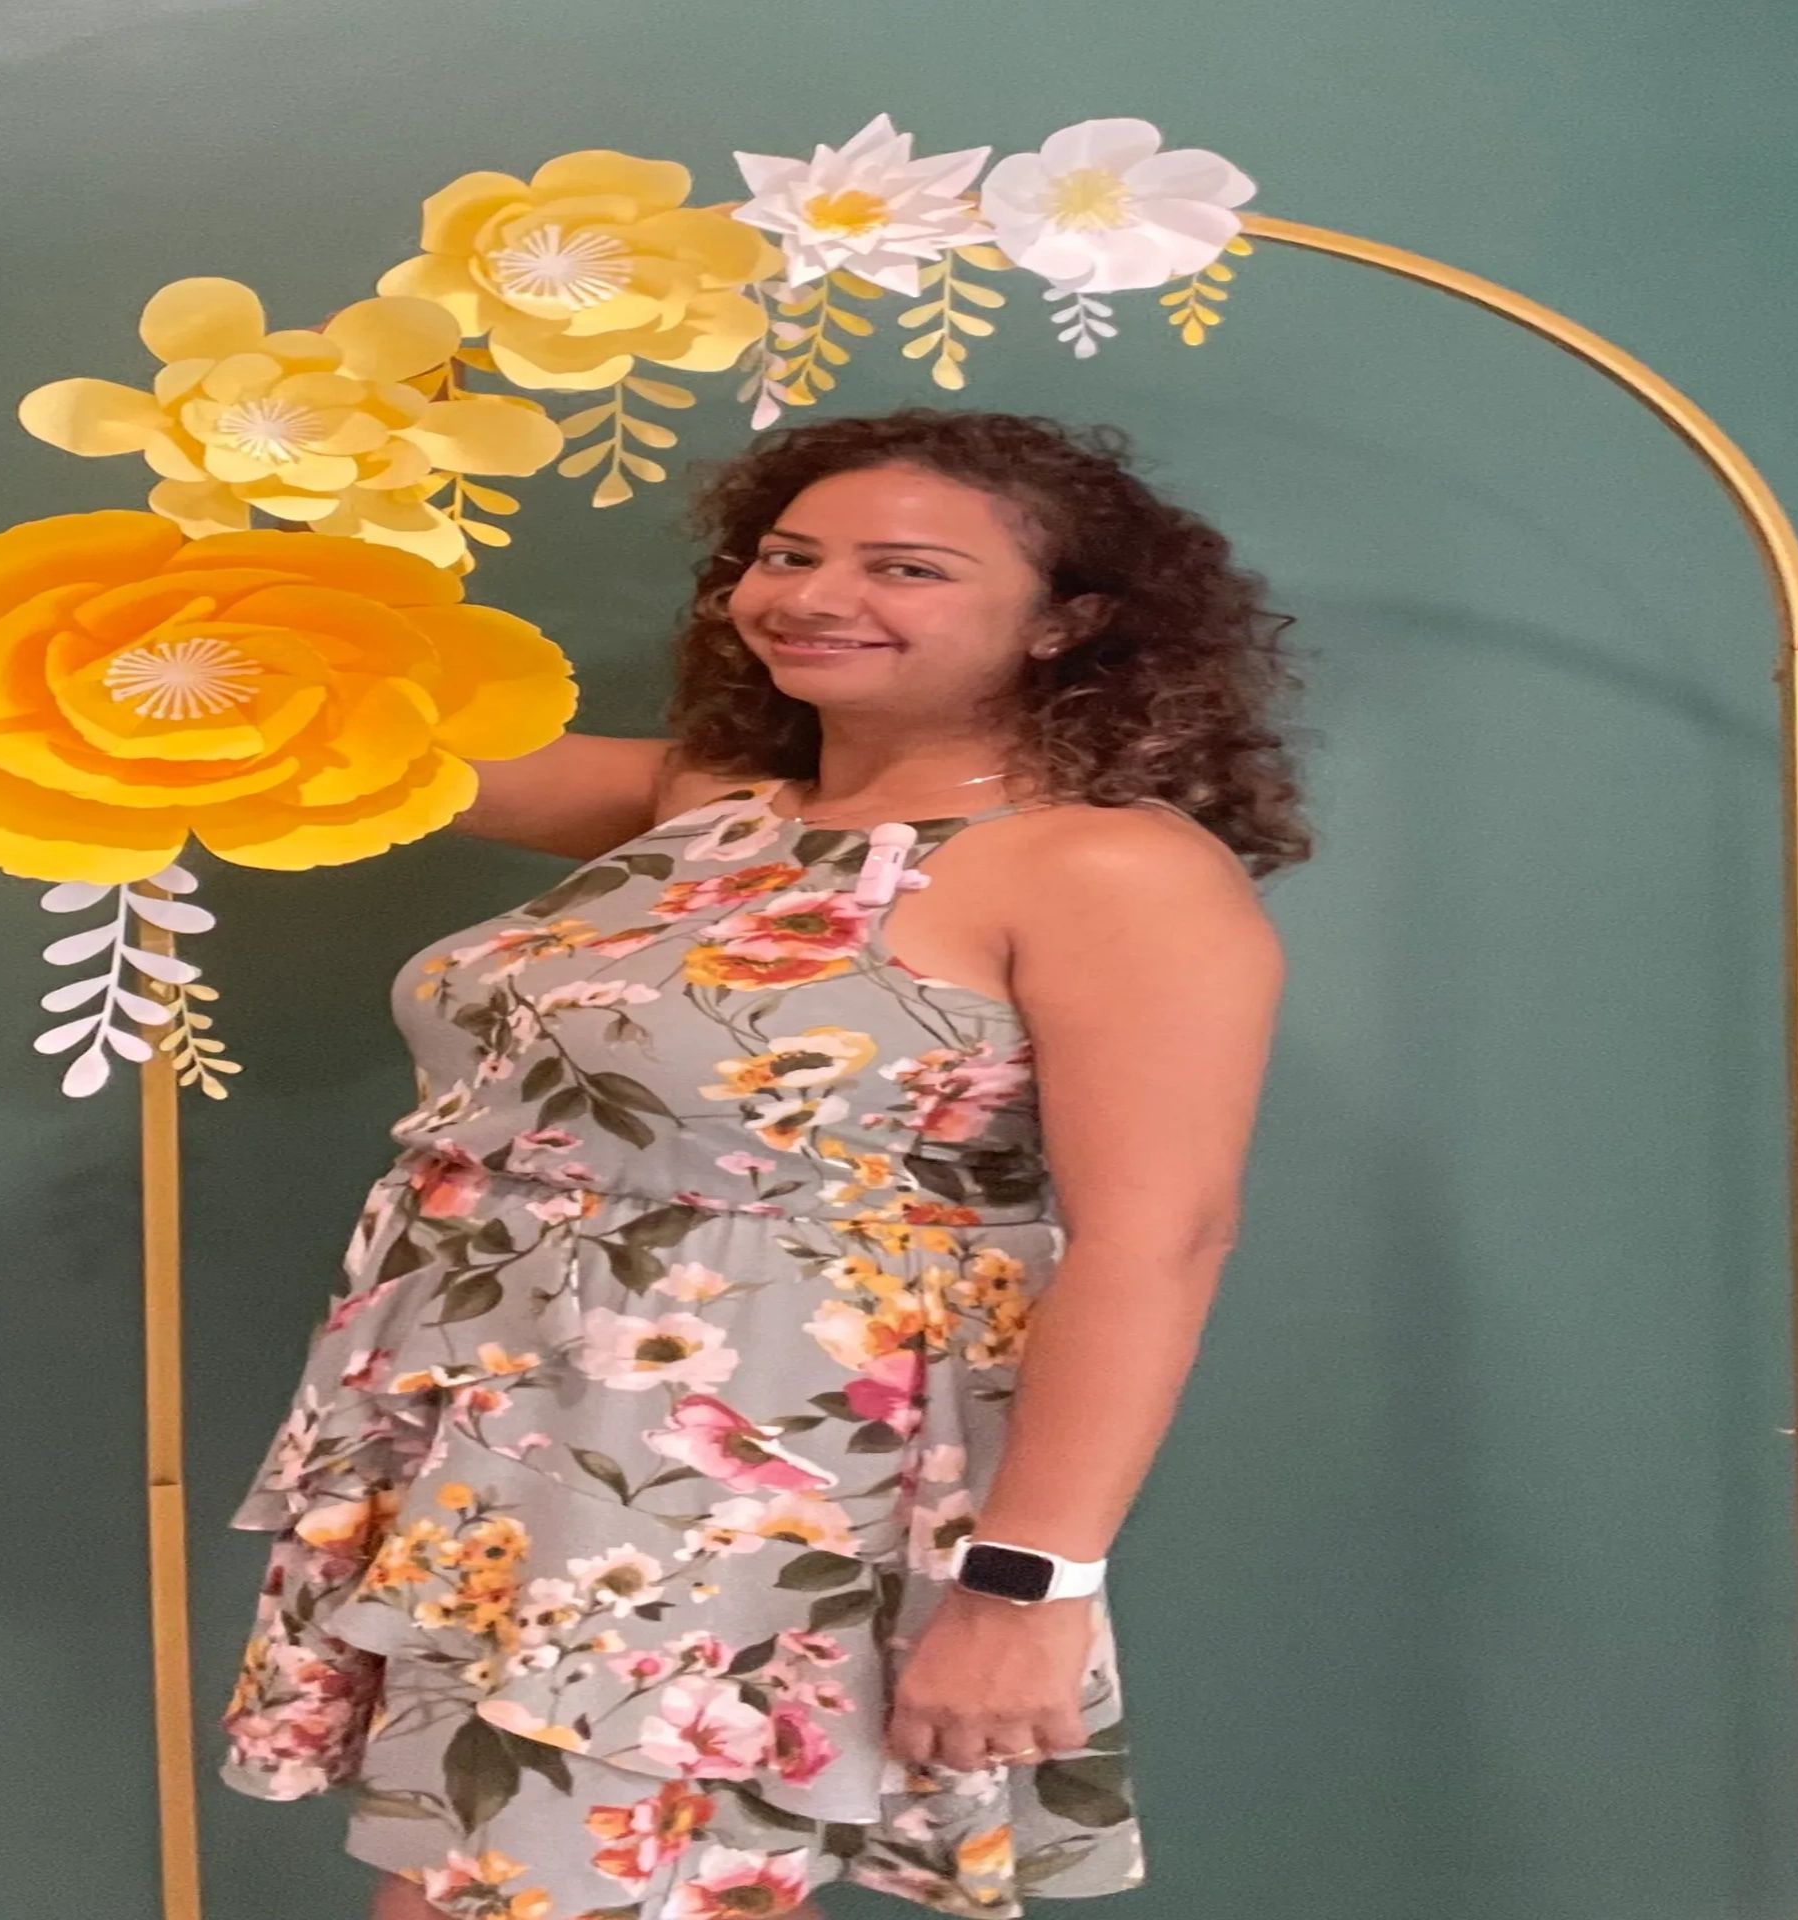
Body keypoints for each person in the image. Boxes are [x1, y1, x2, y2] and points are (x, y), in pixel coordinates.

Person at [217, 407, 1306, 1920]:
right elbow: (354, 757)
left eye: (905, 568)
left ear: (1073, 623)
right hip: (506, 1439)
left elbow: (1161, 1239)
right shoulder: (720, 804)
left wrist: (1028, 1588)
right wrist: (150, 627)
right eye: (787, 554)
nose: (814, 595)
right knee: (475, 1880)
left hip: (744, 1478)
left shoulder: (1102, 866)